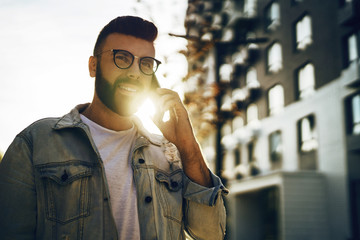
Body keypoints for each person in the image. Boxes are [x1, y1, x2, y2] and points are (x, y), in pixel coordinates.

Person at [0, 16, 228, 240]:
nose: (135, 72)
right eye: (122, 58)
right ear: (93, 65)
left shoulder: (169, 153)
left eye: (146, 63)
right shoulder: (35, 142)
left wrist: (188, 146)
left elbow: (211, 234)